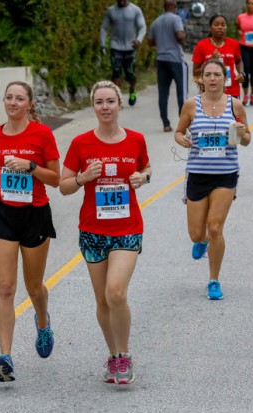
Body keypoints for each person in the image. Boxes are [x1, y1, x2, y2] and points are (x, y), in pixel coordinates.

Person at [59, 80, 151, 385]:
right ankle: (113, 355)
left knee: (116, 292)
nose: (105, 107)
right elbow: (64, 186)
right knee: (102, 300)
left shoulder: (135, 140)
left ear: (120, 104)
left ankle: (124, 355)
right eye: (99, 102)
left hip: (127, 229)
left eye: (110, 101)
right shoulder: (81, 144)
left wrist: (143, 178)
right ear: (93, 106)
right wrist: (83, 177)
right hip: (93, 231)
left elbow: (147, 168)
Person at [0, 81, 60, 382]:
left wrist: (30, 166)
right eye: (9, 97)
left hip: (34, 214)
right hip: (2, 212)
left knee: (34, 287)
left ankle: (43, 322)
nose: (13, 102)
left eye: (19, 98)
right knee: (5, 287)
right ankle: (5, 356)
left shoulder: (42, 134)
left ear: (29, 104)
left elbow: (55, 179)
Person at [174, 59, 252, 300]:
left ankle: (213, 280)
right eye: (208, 74)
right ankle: (202, 241)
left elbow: (247, 139)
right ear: (201, 79)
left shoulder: (235, 105)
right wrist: (181, 139)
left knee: (216, 227)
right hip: (197, 174)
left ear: (225, 79)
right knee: (197, 233)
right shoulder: (191, 105)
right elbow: (179, 131)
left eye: (217, 74)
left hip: (225, 174)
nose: (212, 78)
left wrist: (242, 134)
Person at [148, 0, 188, 133]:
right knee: (181, 92)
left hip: (161, 59)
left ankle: (165, 124)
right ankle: (183, 124)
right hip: (176, 59)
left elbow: (150, 42)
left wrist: (162, 42)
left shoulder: (156, 22)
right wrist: (183, 40)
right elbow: (179, 35)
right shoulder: (176, 19)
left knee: (163, 93)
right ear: (174, 6)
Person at [100, 0, 147, 106]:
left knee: (130, 74)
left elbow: (142, 27)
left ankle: (132, 89)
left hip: (130, 47)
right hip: (115, 46)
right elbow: (104, 28)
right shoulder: (111, 10)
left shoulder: (135, 10)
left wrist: (139, 40)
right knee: (116, 72)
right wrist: (102, 44)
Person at [193, 14, 245, 99]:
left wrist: (241, 73)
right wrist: (211, 61)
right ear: (210, 27)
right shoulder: (201, 45)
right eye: (216, 25)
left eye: (223, 25)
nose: (220, 27)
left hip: (232, 91)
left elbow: (239, 61)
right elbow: (195, 72)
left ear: (226, 27)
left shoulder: (234, 44)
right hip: (210, 92)